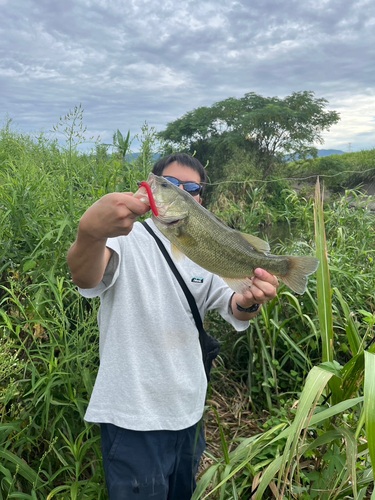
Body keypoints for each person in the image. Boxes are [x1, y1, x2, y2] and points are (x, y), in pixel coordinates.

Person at [67, 153, 278, 500]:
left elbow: (235, 307)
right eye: (169, 184)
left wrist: (252, 299)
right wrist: (89, 232)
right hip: (133, 416)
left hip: (189, 412)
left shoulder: (208, 248)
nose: (179, 191)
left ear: (199, 200)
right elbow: (85, 276)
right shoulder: (122, 236)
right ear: (150, 186)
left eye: (190, 188)